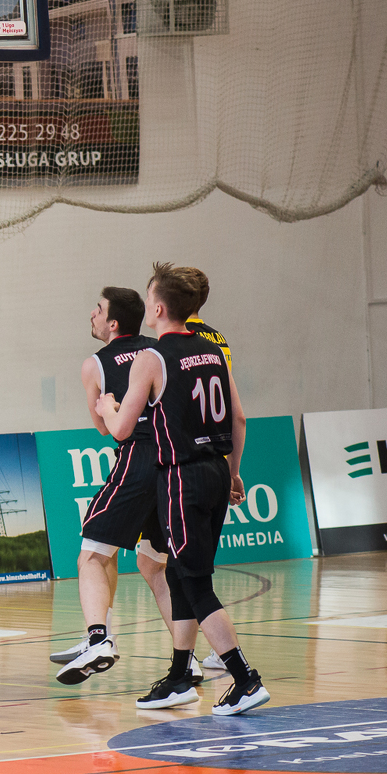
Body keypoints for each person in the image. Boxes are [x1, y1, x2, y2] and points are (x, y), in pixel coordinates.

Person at [95, 264, 270, 716]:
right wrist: (234, 472)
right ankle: (179, 677)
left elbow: (121, 430)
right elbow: (239, 418)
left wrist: (107, 405)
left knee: (193, 582)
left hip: (181, 477)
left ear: (157, 308)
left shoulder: (151, 359)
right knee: (176, 574)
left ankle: (245, 679)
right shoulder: (213, 351)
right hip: (216, 471)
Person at [53, 289, 204, 695]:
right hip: (174, 460)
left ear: (113, 323)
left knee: (92, 554)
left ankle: (99, 638)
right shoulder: (160, 350)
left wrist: (108, 409)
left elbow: (105, 428)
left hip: (138, 457)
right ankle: (186, 661)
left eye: (98, 309)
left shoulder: (95, 364)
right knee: (154, 566)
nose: (92, 314)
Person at [177, 265, 230, 674]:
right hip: (218, 453)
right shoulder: (218, 340)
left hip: (186, 460)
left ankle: (190, 660)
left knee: (182, 570)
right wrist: (232, 466)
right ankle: (189, 660)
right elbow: (233, 408)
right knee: (190, 567)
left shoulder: (173, 345)